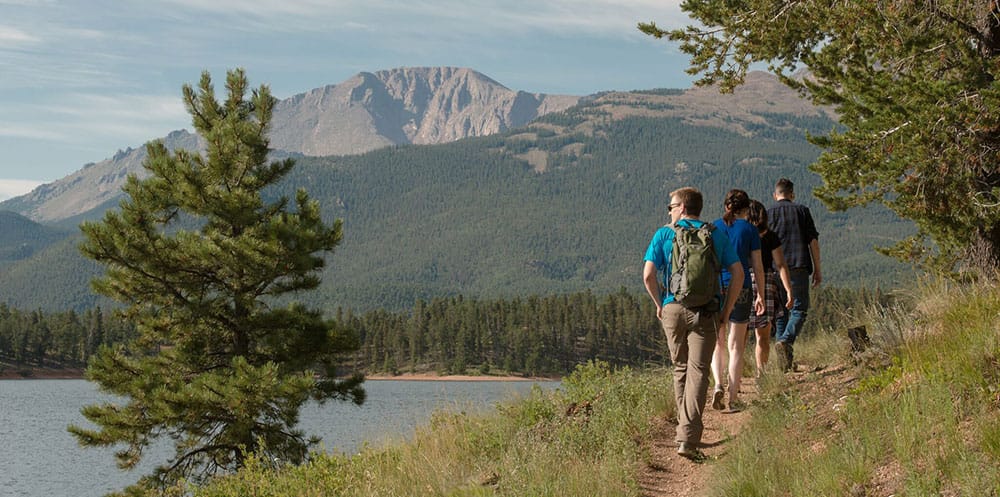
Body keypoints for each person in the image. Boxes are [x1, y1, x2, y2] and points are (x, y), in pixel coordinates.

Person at [643, 186, 743, 460]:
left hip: (673, 308)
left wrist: (659, 303)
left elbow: (648, 275)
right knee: (699, 371)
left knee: (680, 367)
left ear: (682, 208)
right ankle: (687, 437)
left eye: (671, 206)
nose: (669, 211)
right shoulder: (715, 234)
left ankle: (683, 427)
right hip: (707, 312)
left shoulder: (664, 234)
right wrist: (727, 310)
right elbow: (738, 273)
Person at [710, 189, 765, 412]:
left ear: (726, 206)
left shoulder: (713, 228)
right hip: (741, 288)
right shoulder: (750, 230)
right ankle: (733, 398)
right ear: (746, 209)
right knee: (736, 346)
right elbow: (758, 267)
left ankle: (717, 384)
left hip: (717, 288)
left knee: (717, 343)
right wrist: (760, 293)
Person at [767, 178, 821, 371]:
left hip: (775, 268)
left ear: (775, 195)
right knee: (799, 308)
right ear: (792, 194)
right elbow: (812, 241)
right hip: (798, 266)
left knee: (781, 313)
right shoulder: (802, 211)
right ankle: (785, 341)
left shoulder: (769, 213)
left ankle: (784, 364)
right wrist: (817, 268)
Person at [746, 200, 793, 377]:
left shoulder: (743, 235)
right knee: (763, 336)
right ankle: (761, 374)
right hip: (766, 282)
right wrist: (789, 289)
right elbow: (781, 265)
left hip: (743, 283)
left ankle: (735, 380)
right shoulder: (771, 237)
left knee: (739, 337)